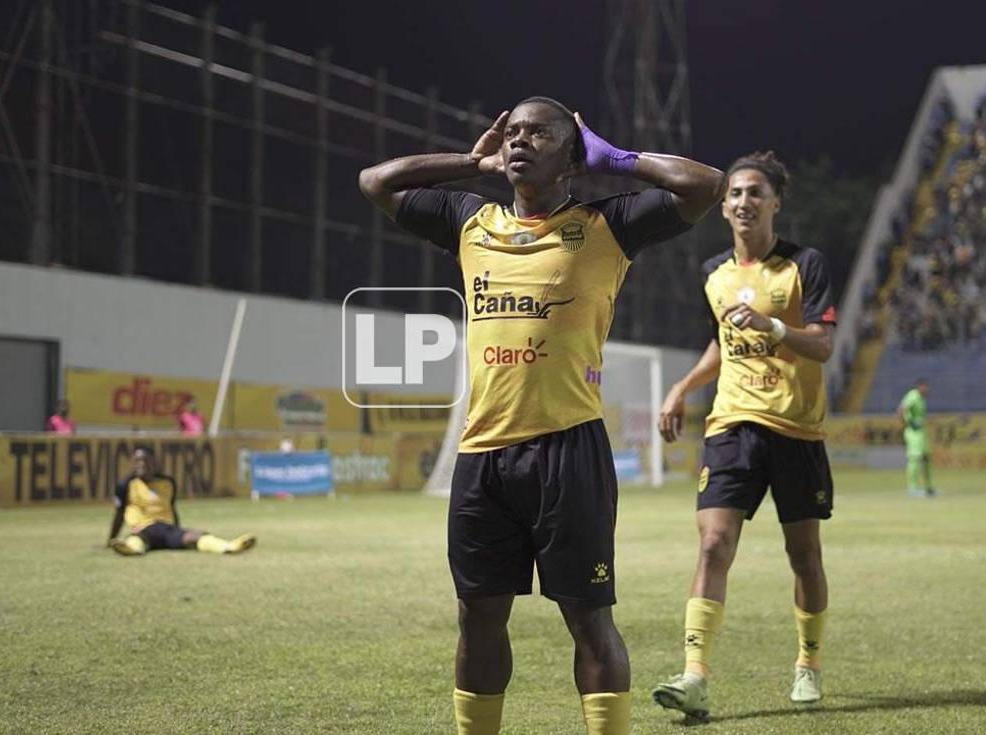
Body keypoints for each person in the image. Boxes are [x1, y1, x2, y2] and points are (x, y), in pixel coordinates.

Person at [358, 96, 722, 735]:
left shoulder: (608, 224)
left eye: (540, 133)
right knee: (477, 613)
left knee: (588, 617)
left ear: (571, 156)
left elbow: (705, 187)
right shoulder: (470, 220)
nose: (521, 141)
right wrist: (474, 161)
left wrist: (620, 159)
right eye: (515, 132)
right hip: (482, 455)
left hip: (567, 451)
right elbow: (377, 182)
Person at [651, 152, 837, 719]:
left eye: (755, 192)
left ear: (776, 202)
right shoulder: (713, 273)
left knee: (802, 554)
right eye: (733, 193)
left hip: (796, 428)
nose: (742, 202)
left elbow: (824, 345)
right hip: (732, 424)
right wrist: (682, 386)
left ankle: (807, 663)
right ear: (723, 206)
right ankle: (694, 677)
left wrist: (775, 327)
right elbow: (721, 342)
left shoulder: (804, 264)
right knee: (712, 544)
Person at [108, 447, 256, 557]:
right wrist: (111, 539)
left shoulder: (167, 482)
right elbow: (119, 514)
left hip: (166, 528)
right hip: (143, 528)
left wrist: (177, 530)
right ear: (133, 464)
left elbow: (171, 508)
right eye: (137, 461)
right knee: (137, 539)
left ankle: (229, 546)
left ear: (154, 462)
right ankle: (131, 549)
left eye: (145, 461)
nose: (141, 465)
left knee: (194, 536)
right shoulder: (125, 484)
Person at [898, 379, 936, 497]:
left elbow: (919, 416)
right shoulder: (913, 396)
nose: (927, 390)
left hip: (922, 432)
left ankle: (929, 487)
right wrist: (909, 423)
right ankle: (912, 488)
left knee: (926, 459)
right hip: (913, 433)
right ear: (920, 386)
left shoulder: (921, 399)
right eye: (925, 387)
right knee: (914, 458)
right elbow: (901, 410)